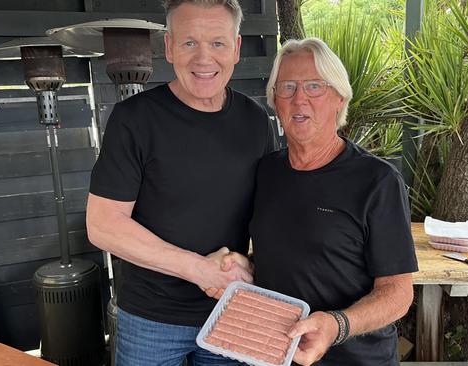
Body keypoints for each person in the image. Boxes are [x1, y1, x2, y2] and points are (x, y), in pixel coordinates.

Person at [85, 0, 275, 364]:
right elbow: (103, 226)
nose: (204, 59)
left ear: (236, 49)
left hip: (230, 309)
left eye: (217, 43)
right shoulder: (135, 120)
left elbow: (267, 214)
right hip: (150, 320)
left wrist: (247, 264)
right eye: (190, 43)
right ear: (169, 47)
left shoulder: (255, 121)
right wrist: (199, 269)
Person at [249, 38, 418, 366]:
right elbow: (283, 258)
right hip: (277, 354)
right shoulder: (265, 172)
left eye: (314, 86)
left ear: (339, 98)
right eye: (287, 87)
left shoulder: (376, 181)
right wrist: (241, 267)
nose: (299, 99)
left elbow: (398, 292)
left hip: (357, 359)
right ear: (274, 101)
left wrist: (336, 325)